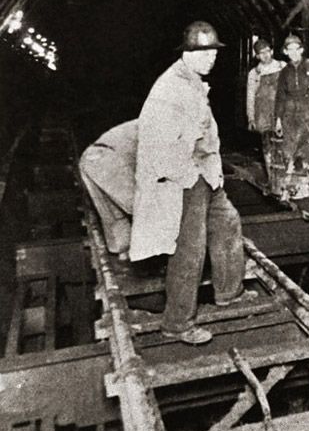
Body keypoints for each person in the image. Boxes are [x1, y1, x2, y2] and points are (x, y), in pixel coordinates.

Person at [130, 21, 256, 345]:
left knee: (227, 222)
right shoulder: (171, 87)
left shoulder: (194, 81)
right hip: (184, 178)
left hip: (204, 172)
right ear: (187, 52)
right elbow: (157, 143)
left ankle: (229, 292)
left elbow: (201, 133)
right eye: (204, 52)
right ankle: (177, 323)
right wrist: (188, 177)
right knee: (190, 249)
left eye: (214, 52)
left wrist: (211, 172)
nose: (212, 58)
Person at [273, 34, 309, 194]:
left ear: (301, 50)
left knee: (304, 147)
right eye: (289, 50)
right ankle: (288, 186)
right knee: (288, 148)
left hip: (308, 107)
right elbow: (280, 97)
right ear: (285, 52)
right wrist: (278, 119)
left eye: (296, 49)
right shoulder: (284, 72)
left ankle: (301, 187)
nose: (293, 53)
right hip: (289, 109)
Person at [79, 120, 138, 260]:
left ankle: (124, 254)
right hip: (108, 158)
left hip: (90, 158)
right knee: (142, 207)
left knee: (113, 215)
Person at [245, 39, 286, 181]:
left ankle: (287, 179)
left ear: (272, 51)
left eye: (267, 51)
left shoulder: (282, 67)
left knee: (286, 145)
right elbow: (250, 96)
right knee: (268, 147)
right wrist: (251, 117)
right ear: (257, 56)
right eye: (261, 53)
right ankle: (273, 178)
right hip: (263, 114)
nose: (266, 55)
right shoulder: (254, 73)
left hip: (283, 112)